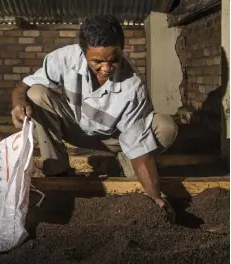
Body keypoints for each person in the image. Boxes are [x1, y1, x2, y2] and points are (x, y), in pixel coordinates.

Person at [11, 15, 178, 214]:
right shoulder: (64, 59)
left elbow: (140, 149)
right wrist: (18, 104)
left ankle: (122, 163)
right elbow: (24, 85)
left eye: (114, 59)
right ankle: (57, 171)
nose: (106, 68)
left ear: (122, 48)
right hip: (75, 128)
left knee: (166, 127)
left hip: (114, 139)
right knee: (36, 93)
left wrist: (155, 196)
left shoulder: (133, 87)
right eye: (97, 61)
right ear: (83, 53)